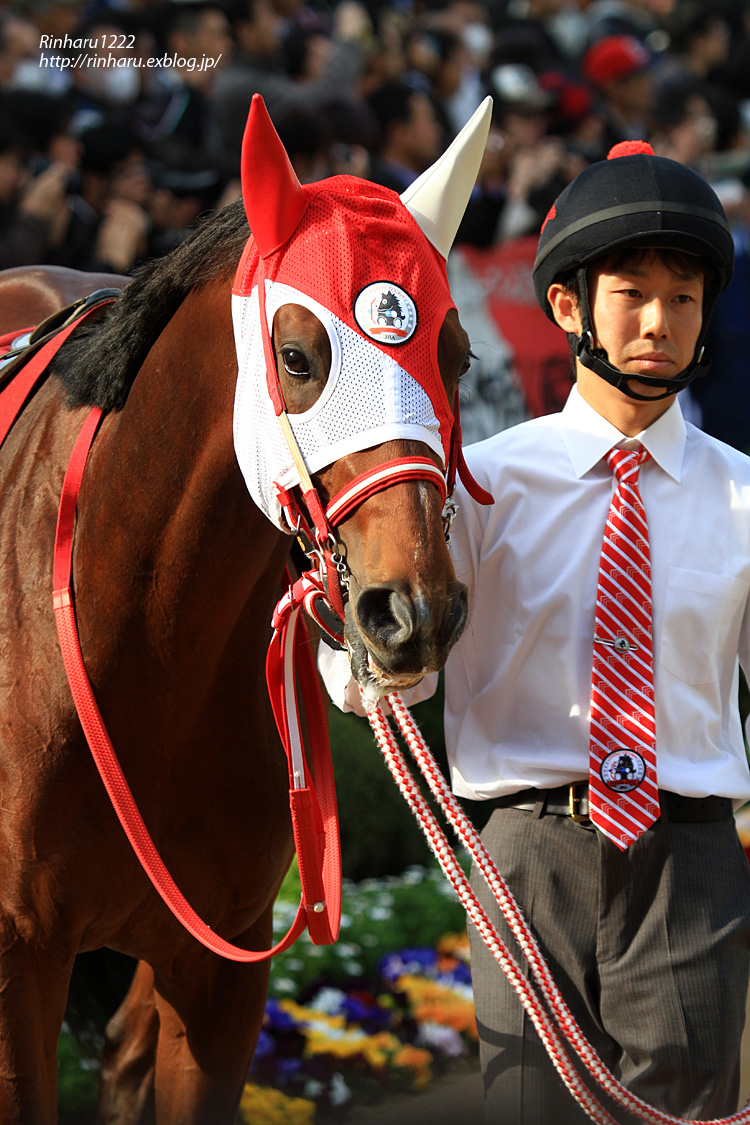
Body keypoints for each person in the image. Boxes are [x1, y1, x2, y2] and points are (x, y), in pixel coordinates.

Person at [321, 140, 750, 1122]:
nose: (657, 323)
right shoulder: (479, 487)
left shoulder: (743, 497)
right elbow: (396, 682)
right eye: (632, 293)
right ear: (569, 307)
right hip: (526, 850)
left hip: (691, 859)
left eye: (683, 298)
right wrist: (345, 634)